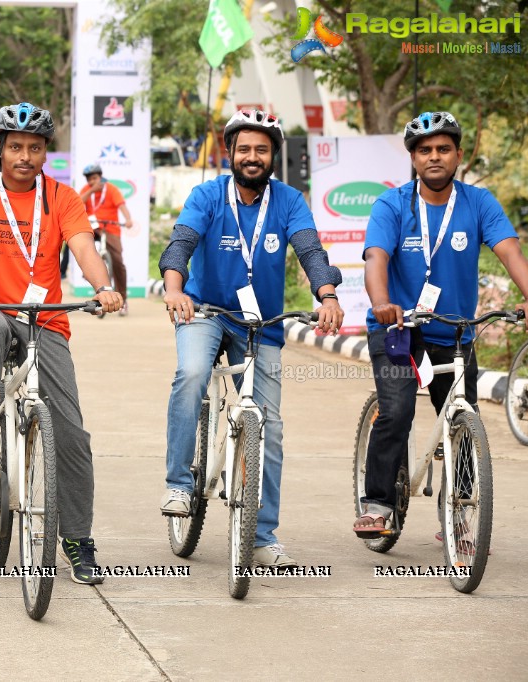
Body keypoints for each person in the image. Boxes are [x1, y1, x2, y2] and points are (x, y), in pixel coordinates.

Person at [0, 102, 122, 585]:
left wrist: (103, 287)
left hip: (45, 320)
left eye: (36, 148)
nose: (25, 156)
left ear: (46, 153)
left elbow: (84, 247)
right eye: (16, 146)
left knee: (72, 435)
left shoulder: (62, 197)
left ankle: (78, 540)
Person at [158, 109, 344, 569]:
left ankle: (262, 535)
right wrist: (174, 289)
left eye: (262, 149)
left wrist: (327, 294)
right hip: (204, 310)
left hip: (260, 323)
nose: (253, 157)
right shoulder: (207, 195)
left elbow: (309, 250)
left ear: (273, 156)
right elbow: (181, 243)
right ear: (230, 153)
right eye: (244, 149)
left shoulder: (289, 201)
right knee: (194, 371)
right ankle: (180, 484)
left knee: (271, 426)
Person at [355, 111, 528, 537]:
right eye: (425, 150)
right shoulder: (392, 205)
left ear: (458, 155)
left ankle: (460, 513)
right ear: (413, 158)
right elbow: (376, 258)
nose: (435, 157)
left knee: (462, 421)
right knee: (395, 412)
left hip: (454, 333)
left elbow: (510, 254)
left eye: (443, 149)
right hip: (397, 331)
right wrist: (382, 303)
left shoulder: (479, 203)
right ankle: (377, 503)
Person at [79, 163, 134, 315]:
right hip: (93, 227)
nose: (92, 182)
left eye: (95, 178)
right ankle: (89, 269)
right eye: (89, 180)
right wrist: (91, 191)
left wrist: (128, 219)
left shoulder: (111, 189)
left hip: (111, 228)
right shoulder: (87, 190)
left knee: (117, 262)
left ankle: (123, 299)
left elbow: (122, 206)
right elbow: (77, 203)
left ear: (101, 177)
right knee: (81, 242)